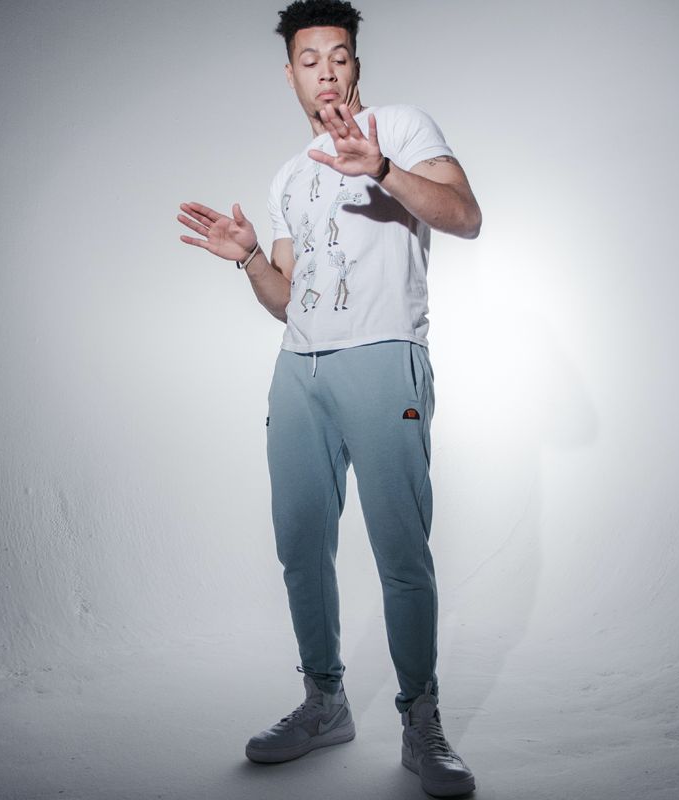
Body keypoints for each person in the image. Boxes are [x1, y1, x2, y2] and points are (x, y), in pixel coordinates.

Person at [177, 1, 481, 795]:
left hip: (383, 357)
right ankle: (325, 702)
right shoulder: (288, 175)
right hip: (298, 371)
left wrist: (381, 169)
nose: (327, 74)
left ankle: (421, 719)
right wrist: (249, 257)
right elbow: (288, 298)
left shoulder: (401, 128)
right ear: (290, 75)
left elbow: (465, 217)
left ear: (356, 65)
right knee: (300, 545)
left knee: (400, 550)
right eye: (310, 61)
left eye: (339, 57)